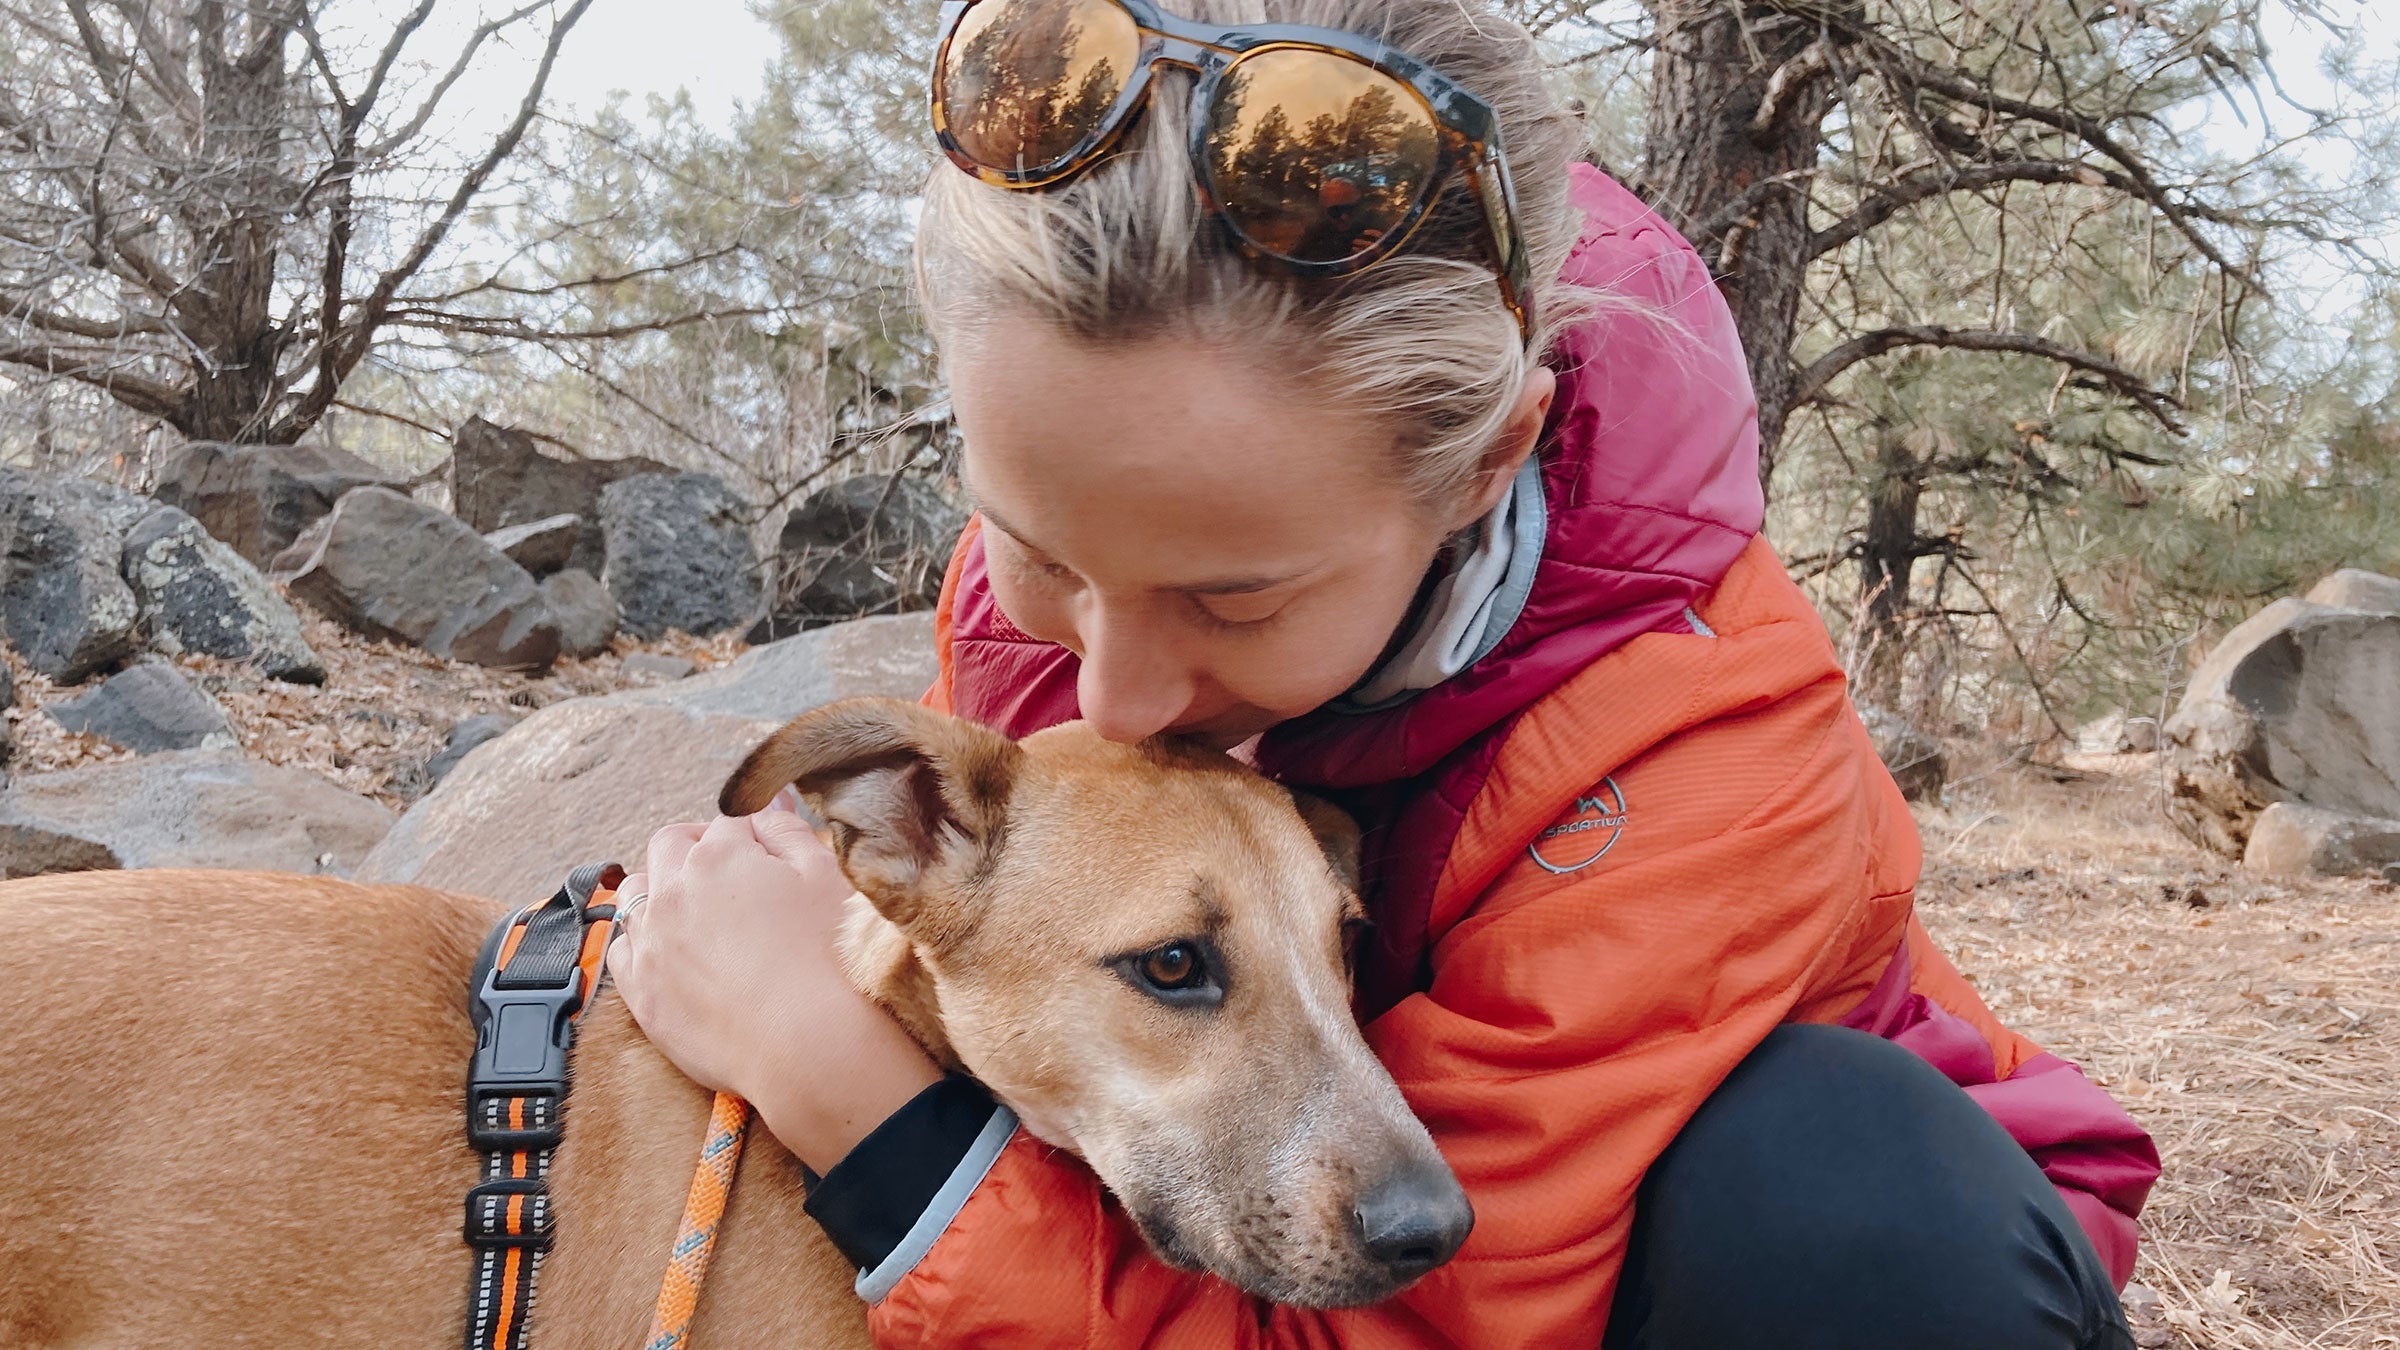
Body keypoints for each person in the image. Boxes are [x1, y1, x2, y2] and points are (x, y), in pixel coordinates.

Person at [604, 0, 2160, 1345]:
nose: (1113, 698)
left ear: (1488, 467)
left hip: (1800, 1277)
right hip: (1385, 1249)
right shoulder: (1110, 545)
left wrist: (852, 1099)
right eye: (1041, 550)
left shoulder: (1705, 750)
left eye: (1234, 596)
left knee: (1828, 1196)